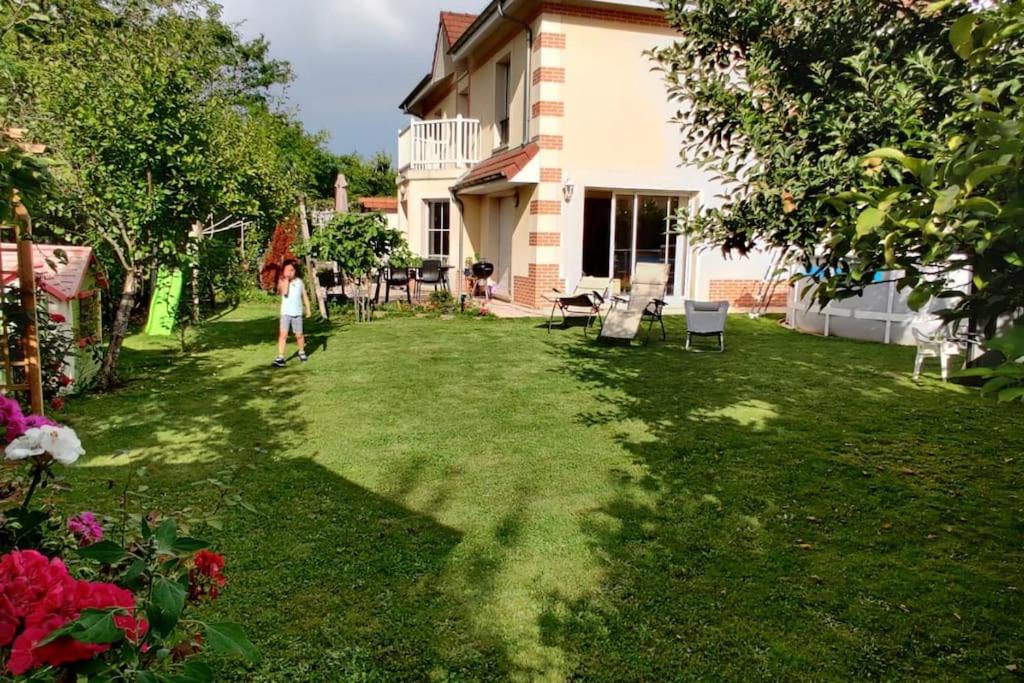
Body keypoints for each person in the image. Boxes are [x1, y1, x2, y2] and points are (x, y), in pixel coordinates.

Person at [273, 260, 311, 367]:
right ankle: (280, 357)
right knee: (283, 335)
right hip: (285, 313)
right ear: (283, 271)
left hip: (297, 313)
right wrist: (286, 281)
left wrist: (308, 309)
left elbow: (305, 296)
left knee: (299, 335)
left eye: (292, 270)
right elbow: (284, 292)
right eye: (287, 270)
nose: (289, 272)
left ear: (295, 271)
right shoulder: (281, 281)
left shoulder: (299, 282)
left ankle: (301, 351)